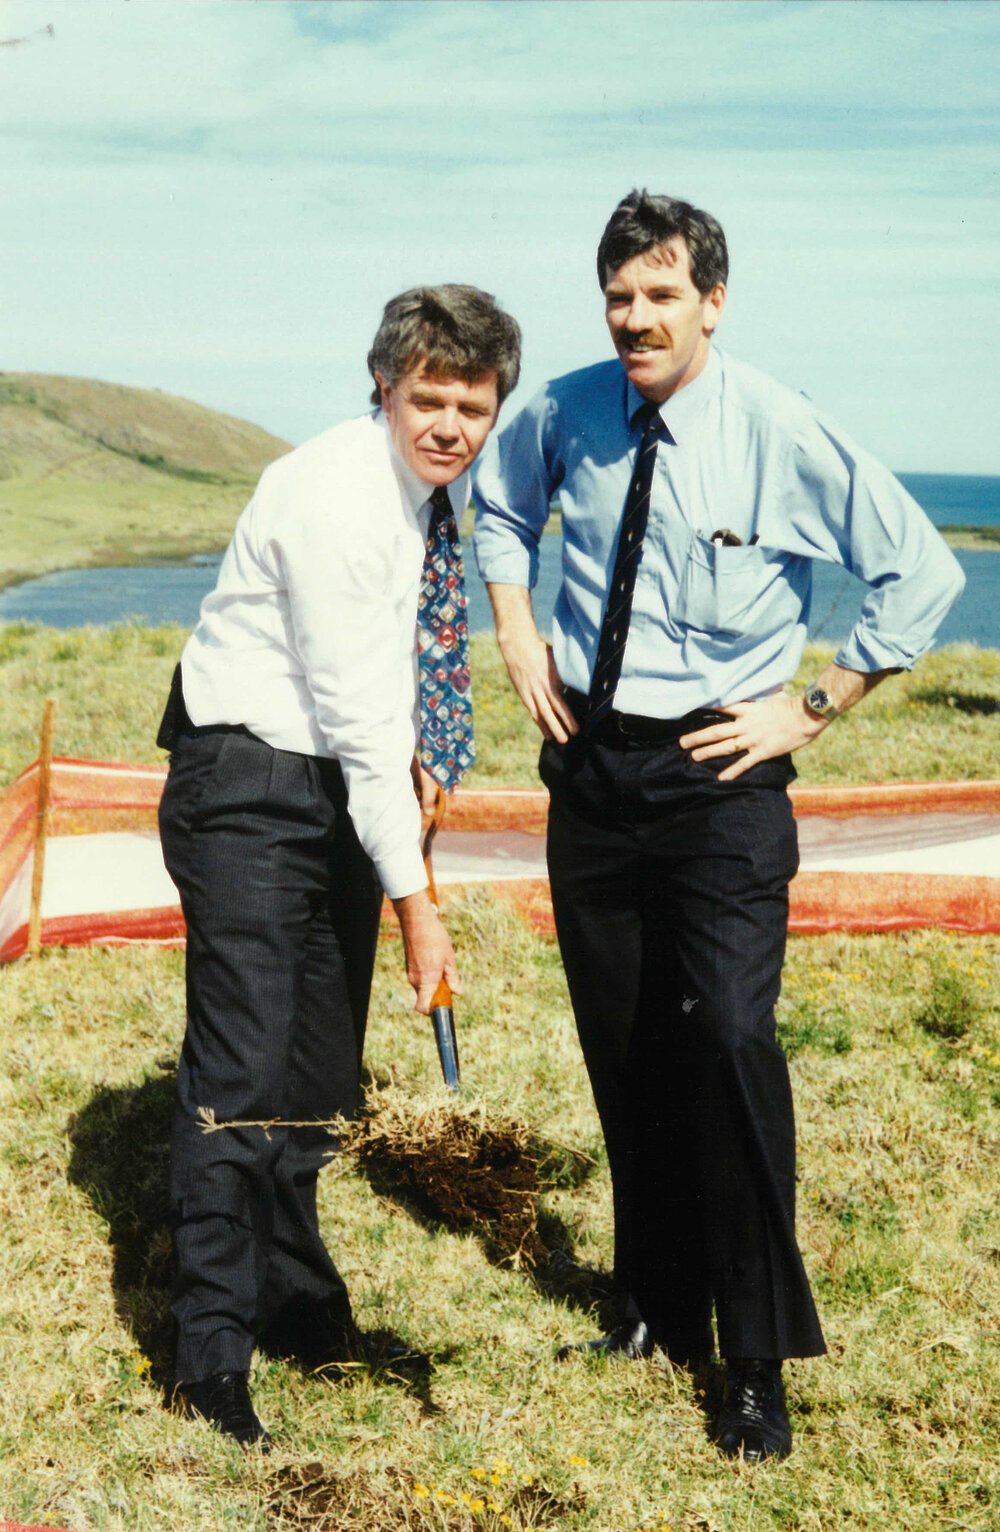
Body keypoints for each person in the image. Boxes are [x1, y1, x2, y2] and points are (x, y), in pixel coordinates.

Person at [473, 190, 963, 1462]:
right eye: (618, 296)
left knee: (732, 1040)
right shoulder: (565, 411)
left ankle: (752, 1358)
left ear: (712, 302)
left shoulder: (777, 427)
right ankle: (653, 1297)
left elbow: (920, 569)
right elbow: (501, 509)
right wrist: (516, 629)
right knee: (627, 1043)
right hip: (593, 768)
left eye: (660, 295)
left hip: (721, 779)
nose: (635, 318)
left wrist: (813, 705)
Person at [157, 283, 521, 1448]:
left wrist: (421, 762)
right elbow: (360, 719)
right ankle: (209, 1355)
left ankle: (298, 1299)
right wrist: (420, 907)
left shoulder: (426, 497)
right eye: (430, 398)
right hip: (248, 784)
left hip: (332, 787)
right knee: (240, 1070)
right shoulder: (336, 498)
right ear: (384, 384)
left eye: (474, 405)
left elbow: (379, 710)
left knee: (319, 1066)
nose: (451, 425)